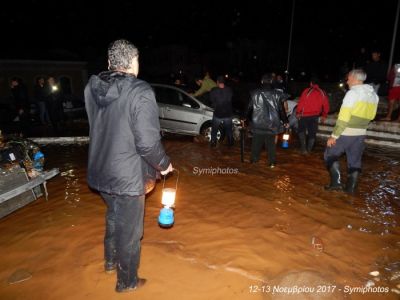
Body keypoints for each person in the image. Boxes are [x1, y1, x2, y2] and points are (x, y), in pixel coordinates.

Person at [84, 39, 173, 293]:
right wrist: (164, 164)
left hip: (100, 170)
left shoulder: (92, 88)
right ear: (134, 62)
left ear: (110, 63)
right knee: (131, 232)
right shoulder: (140, 91)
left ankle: (110, 262)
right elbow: (146, 143)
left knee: (113, 216)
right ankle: (127, 282)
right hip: (128, 176)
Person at [324, 69, 378, 193]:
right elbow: (372, 116)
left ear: (354, 78)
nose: (347, 81)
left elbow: (343, 117)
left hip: (346, 132)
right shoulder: (374, 95)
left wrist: (334, 135)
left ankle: (336, 184)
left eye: (348, 78)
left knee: (329, 155)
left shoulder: (352, 93)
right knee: (355, 161)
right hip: (361, 133)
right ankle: (350, 189)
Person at [245, 73, 289, 168]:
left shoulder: (254, 93)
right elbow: (281, 110)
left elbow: (248, 108)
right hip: (272, 124)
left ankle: (253, 161)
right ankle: (272, 163)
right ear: (271, 82)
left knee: (256, 143)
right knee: (271, 145)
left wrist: (244, 118)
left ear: (261, 81)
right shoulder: (277, 94)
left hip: (258, 124)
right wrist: (285, 121)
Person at [296, 77, 330, 154]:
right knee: (312, 133)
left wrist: (298, 112)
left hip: (304, 115)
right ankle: (309, 149)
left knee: (301, 130)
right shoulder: (322, 92)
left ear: (311, 83)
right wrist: (324, 115)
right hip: (315, 116)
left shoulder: (307, 91)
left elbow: (301, 102)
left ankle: (303, 149)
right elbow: (326, 105)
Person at [209, 75, 234, 147]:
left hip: (218, 114)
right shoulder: (229, 90)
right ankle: (230, 142)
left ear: (217, 82)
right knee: (229, 129)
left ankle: (213, 142)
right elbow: (230, 99)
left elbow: (211, 100)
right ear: (224, 82)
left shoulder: (213, 90)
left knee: (214, 129)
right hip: (228, 114)